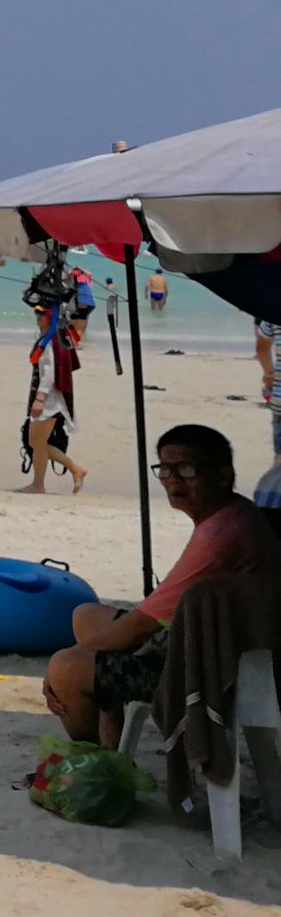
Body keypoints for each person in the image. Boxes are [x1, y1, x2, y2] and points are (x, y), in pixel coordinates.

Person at [42, 425, 280, 745]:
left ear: (223, 476)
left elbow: (142, 625)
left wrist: (57, 675)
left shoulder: (223, 533)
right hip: (205, 640)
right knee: (85, 615)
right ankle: (110, 736)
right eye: (165, 469)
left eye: (186, 469)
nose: (173, 479)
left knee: (65, 669)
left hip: (212, 668)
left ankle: (91, 762)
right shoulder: (228, 515)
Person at [22, 307, 87, 493]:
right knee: (37, 443)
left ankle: (46, 481)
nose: (38, 317)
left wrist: (40, 398)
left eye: (41, 314)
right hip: (47, 396)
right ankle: (45, 481)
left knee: (36, 442)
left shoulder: (51, 340)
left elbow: (50, 372)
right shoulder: (49, 337)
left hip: (49, 399)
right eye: (36, 313)